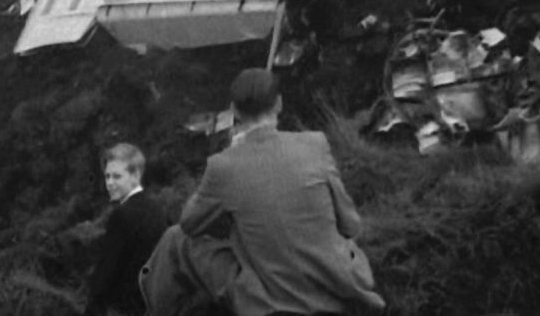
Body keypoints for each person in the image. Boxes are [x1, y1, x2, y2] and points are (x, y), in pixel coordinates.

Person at [140, 68, 385, 316]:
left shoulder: (224, 166)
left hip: (269, 301)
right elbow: (351, 225)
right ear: (279, 103)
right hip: (337, 284)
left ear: (234, 111)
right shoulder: (315, 145)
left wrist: (230, 155)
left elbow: (189, 224)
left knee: (176, 239)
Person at [84, 143, 168, 316]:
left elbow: (107, 273)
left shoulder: (122, 215)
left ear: (135, 175)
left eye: (117, 177)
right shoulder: (159, 209)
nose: (110, 183)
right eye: (107, 177)